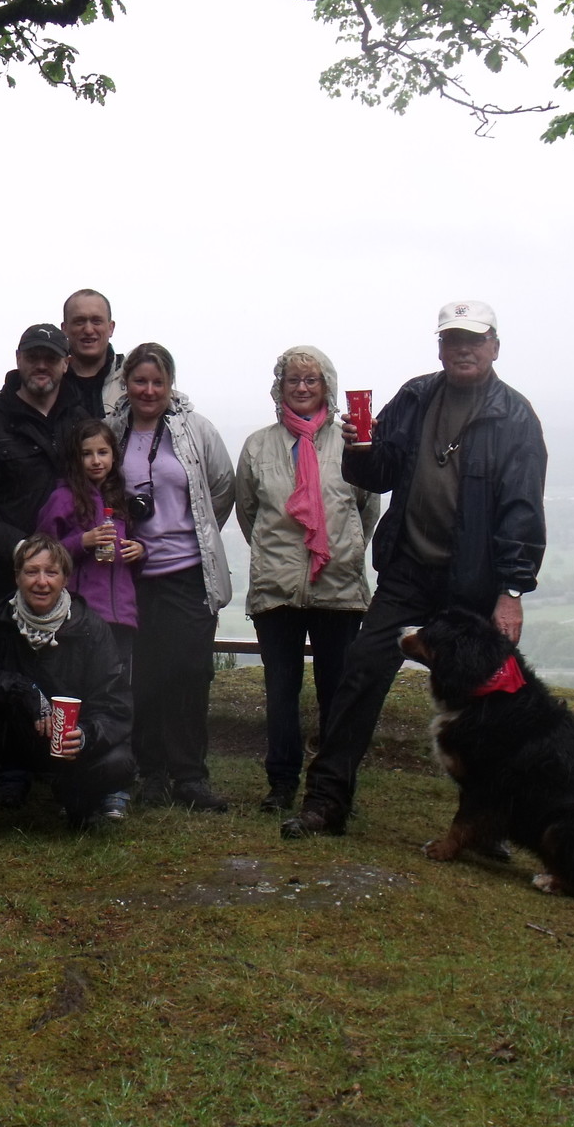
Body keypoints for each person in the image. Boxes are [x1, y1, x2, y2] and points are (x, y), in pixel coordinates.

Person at [284, 301, 547, 839]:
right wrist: (358, 448)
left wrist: (512, 590)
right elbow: (380, 474)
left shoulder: (514, 416)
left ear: (494, 347)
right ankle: (326, 804)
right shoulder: (416, 395)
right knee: (362, 672)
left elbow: (522, 509)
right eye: (452, 340)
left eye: (473, 340)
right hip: (408, 571)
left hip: (475, 586)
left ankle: (484, 824)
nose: (463, 350)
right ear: (440, 348)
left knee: (492, 701)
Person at [235, 347, 380, 813]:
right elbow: (248, 512)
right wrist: (278, 555)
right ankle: (281, 784)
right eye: (292, 379)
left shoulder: (349, 441)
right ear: (279, 387)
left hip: (338, 587)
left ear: (327, 387)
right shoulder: (258, 445)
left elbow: (365, 509)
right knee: (281, 690)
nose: (301, 387)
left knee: (337, 693)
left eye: (311, 380)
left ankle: (333, 787)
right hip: (277, 587)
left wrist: (343, 550)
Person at [105, 343, 234, 812]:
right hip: (133, 575)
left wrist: (192, 536)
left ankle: (190, 776)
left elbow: (221, 488)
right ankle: (151, 772)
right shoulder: (113, 430)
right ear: (126, 385)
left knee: (190, 674)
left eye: (158, 382)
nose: (149, 390)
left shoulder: (196, 430)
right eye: (139, 381)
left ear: (170, 384)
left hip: (186, 574)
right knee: (144, 677)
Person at [0, 533, 136, 839]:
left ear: (65, 578)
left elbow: (116, 706)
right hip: (12, 733)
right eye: (31, 572)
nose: (41, 582)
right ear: (17, 576)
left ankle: (77, 803)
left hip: (67, 745)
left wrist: (84, 734)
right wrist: (20, 689)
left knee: (119, 762)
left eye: (51, 572)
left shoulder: (91, 627)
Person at [0, 323, 90, 603]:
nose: (41, 365)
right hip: (9, 577)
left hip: (78, 574)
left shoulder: (82, 422)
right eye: (33, 358)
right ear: (18, 359)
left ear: (66, 364)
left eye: (51, 359)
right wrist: (21, 547)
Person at [36, 418, 144, 671]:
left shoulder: (118, 499)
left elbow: (132, 547)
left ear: (114, 457)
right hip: (80, 614)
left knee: (115, 688)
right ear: (76, 459)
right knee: (80, 685)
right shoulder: (63, 498)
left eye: (103, 452)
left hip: (122, 616)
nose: (96, 461)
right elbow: (43, 554)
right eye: (87, 454)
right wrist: (82, 541)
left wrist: (139, 550)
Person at [61, 289, 125, 419]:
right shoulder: (49, 382)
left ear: (111, 328)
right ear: (64, 329)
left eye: (96, 321)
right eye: (79, 321)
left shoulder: (135, 381)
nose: (89, 330)